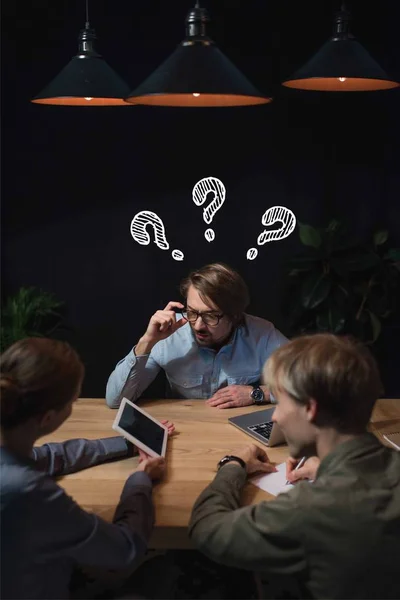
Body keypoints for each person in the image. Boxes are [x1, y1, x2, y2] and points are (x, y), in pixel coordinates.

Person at [188, 334, 400, 600]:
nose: (275, 415)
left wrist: (233, 464)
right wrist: (326, 467)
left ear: (310, 409)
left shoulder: (310, 509)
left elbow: (206, 530)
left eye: (281, 400)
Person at [0, 337, 174, 600]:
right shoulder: (29, 491)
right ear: (48, 418)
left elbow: (50, 456)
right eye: (73, 403)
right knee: (162, 574)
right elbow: (123, 551)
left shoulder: (12, 456)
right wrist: (140, 479)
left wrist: (127, 442)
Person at [106, 263, 287, 409]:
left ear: (235, 315)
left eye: (211, 316)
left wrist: (256, 393)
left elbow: (310, 385)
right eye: (192, 312)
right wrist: (146, 342)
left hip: (240, 434)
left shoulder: (261, 334)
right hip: (185, 433)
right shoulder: (168, 333)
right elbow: (115, 400)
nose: (198, 325)